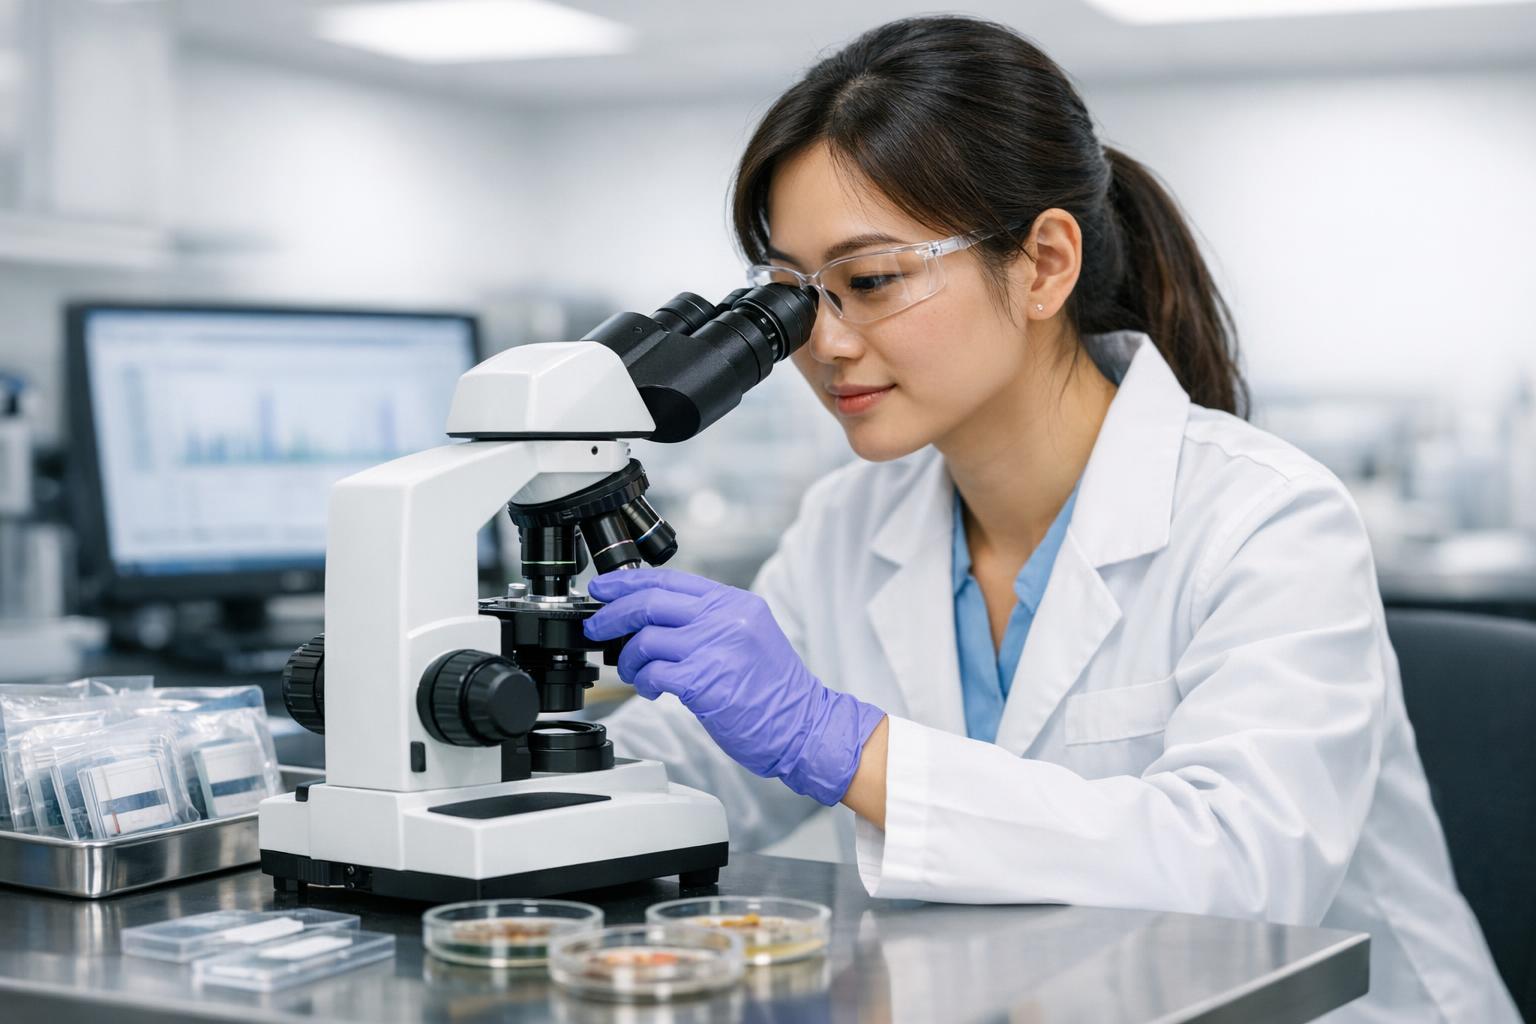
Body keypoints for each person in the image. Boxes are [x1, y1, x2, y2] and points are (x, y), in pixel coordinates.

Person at [582, 16, 1518, 1023]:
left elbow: (1241, 879)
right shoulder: (850, 522)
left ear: (1042, 265)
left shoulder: (1267, 516)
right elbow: (696, 778)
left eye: (870, 281)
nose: (829, 345)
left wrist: (842, 743)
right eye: (792, 300)